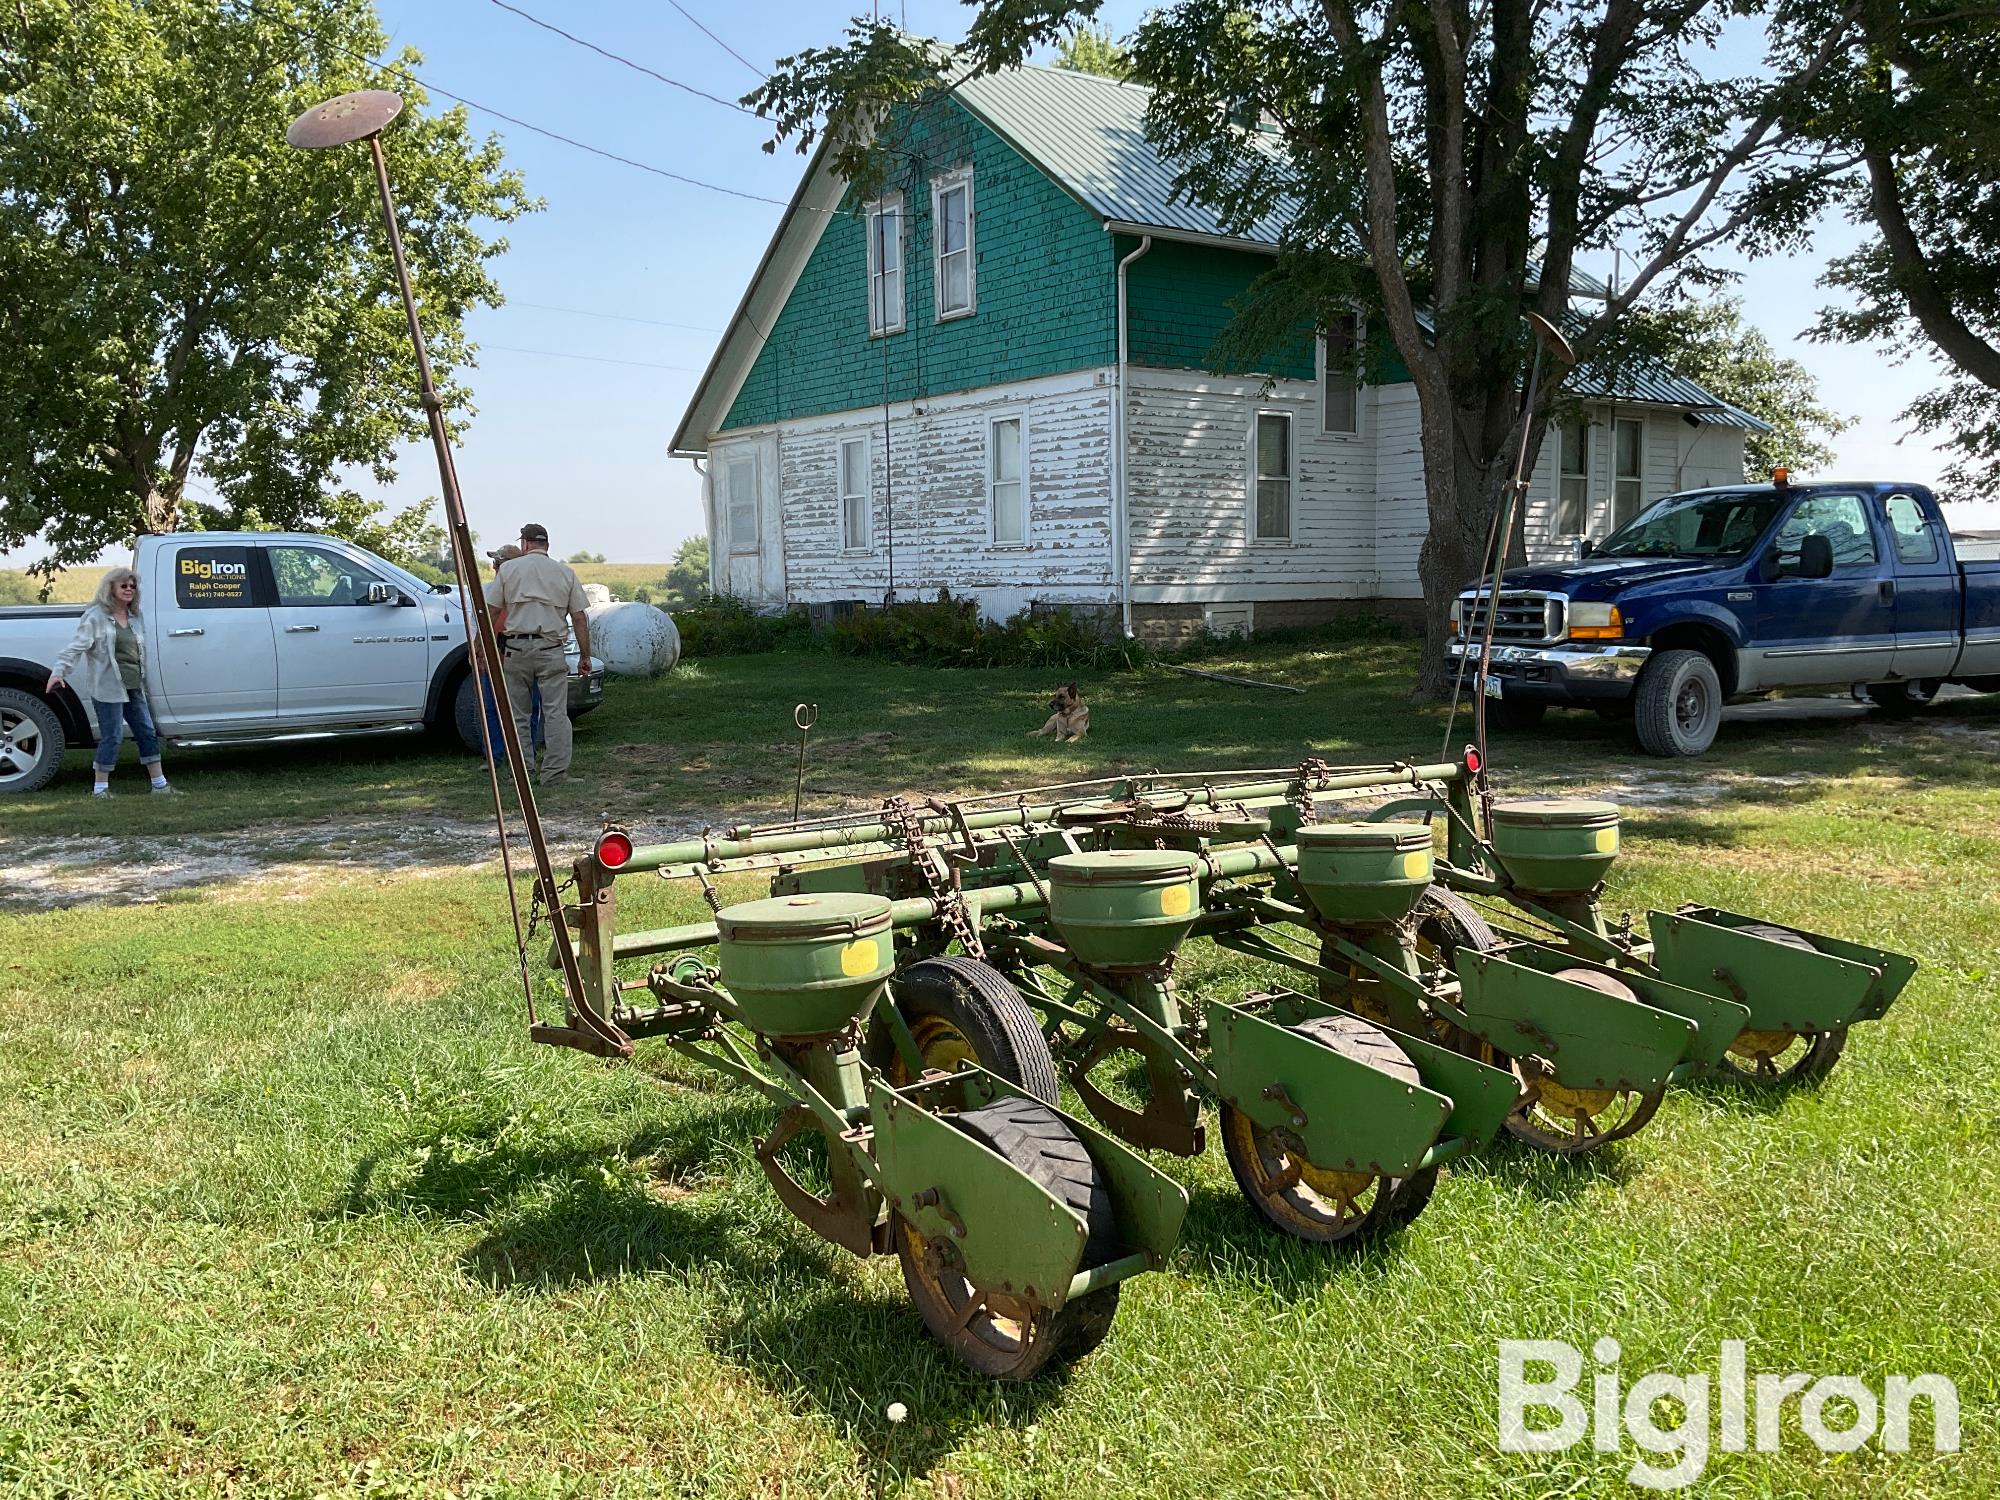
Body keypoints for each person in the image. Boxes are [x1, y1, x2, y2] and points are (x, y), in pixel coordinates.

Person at [45, 566, 175, 796]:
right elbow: (76, 648)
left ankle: (159, 785)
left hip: (134, 687)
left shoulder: (135, 616)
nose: (129, 590)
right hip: (106, 688)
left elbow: (138, 652)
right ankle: (100, 789)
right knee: (112, 736)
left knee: (146, 732)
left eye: (133, 586)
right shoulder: (95, 616)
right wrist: (59, 672)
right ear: (111, 588)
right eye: (124, 585)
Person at [483, 523, 590, 785]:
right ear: (547, 545)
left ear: (525, 544)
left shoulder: (508, 570)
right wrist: (585, 655)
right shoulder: (565, 572)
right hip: (551, 649)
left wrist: (479, 644)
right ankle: (554, 774)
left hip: (516, 649)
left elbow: (492, 611)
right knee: (555, 714)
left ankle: (522, 774)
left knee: (518, 715)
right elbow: (579, 617)